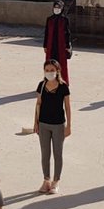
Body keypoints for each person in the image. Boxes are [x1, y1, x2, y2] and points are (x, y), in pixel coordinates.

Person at [33, 60, 72, 194]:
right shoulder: (41, 85)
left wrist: (69, 126)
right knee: (45, 154)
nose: (49, 72)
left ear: (57, 71)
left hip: (58, 125)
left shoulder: (63, 86)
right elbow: (38, 104)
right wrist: (35, 123)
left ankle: (56, 181)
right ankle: (46, 180)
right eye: (47, 70)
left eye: (52, 70)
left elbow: (67, 107)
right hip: (43, 124)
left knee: (57, 153)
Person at [43, 0, 72, 83]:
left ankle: (62, 81)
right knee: (50, 63)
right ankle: (49, 80)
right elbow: (46, 32)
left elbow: (67, 33)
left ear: (62, 8)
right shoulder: (49, 19)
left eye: (58, 7)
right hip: (51, 45)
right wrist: (45, 46)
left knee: (61, 63)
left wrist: (67, 46)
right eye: (55, 7)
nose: (56, 9)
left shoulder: (64, 20)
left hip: (61, 46)